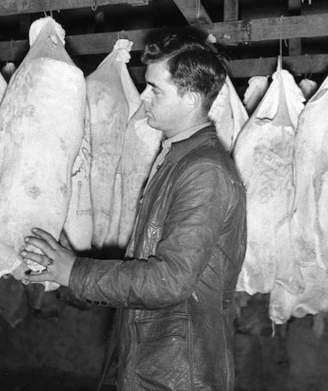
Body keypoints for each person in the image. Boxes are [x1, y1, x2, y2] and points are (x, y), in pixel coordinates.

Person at [20, 31, 247, 391]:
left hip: (177, 373)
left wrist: (75, 272)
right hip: (158, 359)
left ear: (189, 99)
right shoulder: (180, 159)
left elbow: (170, 280)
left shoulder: (204, 171)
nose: (145, 98)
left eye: (156, 89)